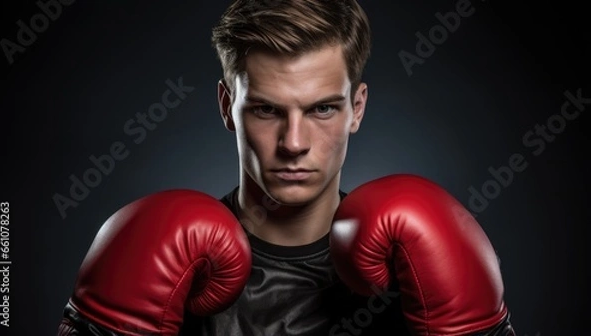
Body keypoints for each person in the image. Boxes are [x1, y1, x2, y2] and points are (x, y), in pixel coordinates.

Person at [58, 1, 516, 335]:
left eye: (321, 110)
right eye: (265, 110)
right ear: (226, 107)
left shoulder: (412, 267)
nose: (294, 144)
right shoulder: (164, 260)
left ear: (356, 109)